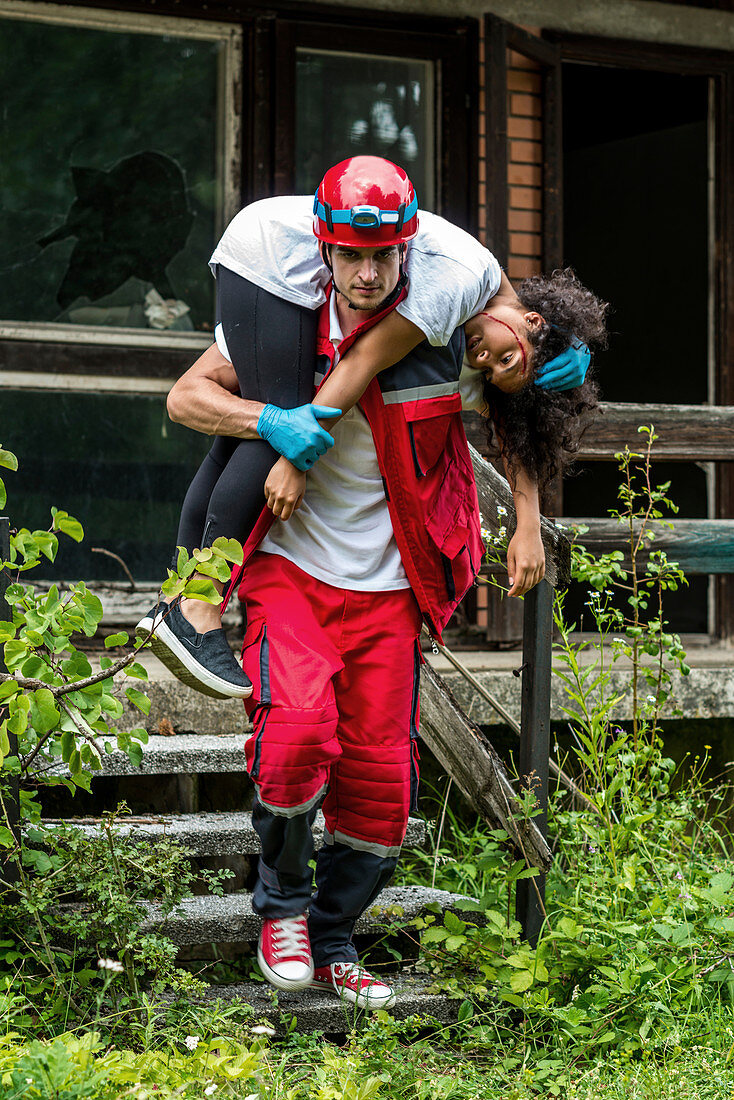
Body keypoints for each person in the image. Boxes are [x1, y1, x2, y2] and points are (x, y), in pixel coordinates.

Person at [163, 158, 606, 1010]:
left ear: (409, 252)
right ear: (325, 251)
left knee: (380, 782)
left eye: (385, 258)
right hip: (290, 570)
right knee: (295, 736)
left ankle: (336, 938)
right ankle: (283, 912)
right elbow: (187, 397)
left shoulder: (451, 326)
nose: (367, 275)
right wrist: (273, 428)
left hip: (393, 587)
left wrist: (523, 514)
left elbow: (516, 415)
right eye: (350, 257)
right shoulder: (276, 329)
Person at [139, 157, 590, 702]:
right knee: (284, 415)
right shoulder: (449, 286)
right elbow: (360, 363)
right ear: (533, 321)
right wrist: (294, 456)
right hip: (264, 257)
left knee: (258, 427)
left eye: (499, 374)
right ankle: (194, 606)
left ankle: (179, 599)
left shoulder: (492, 329)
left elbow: (517, 414)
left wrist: (528, 518)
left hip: (287, 251)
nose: (488, 365)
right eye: (506, 359)